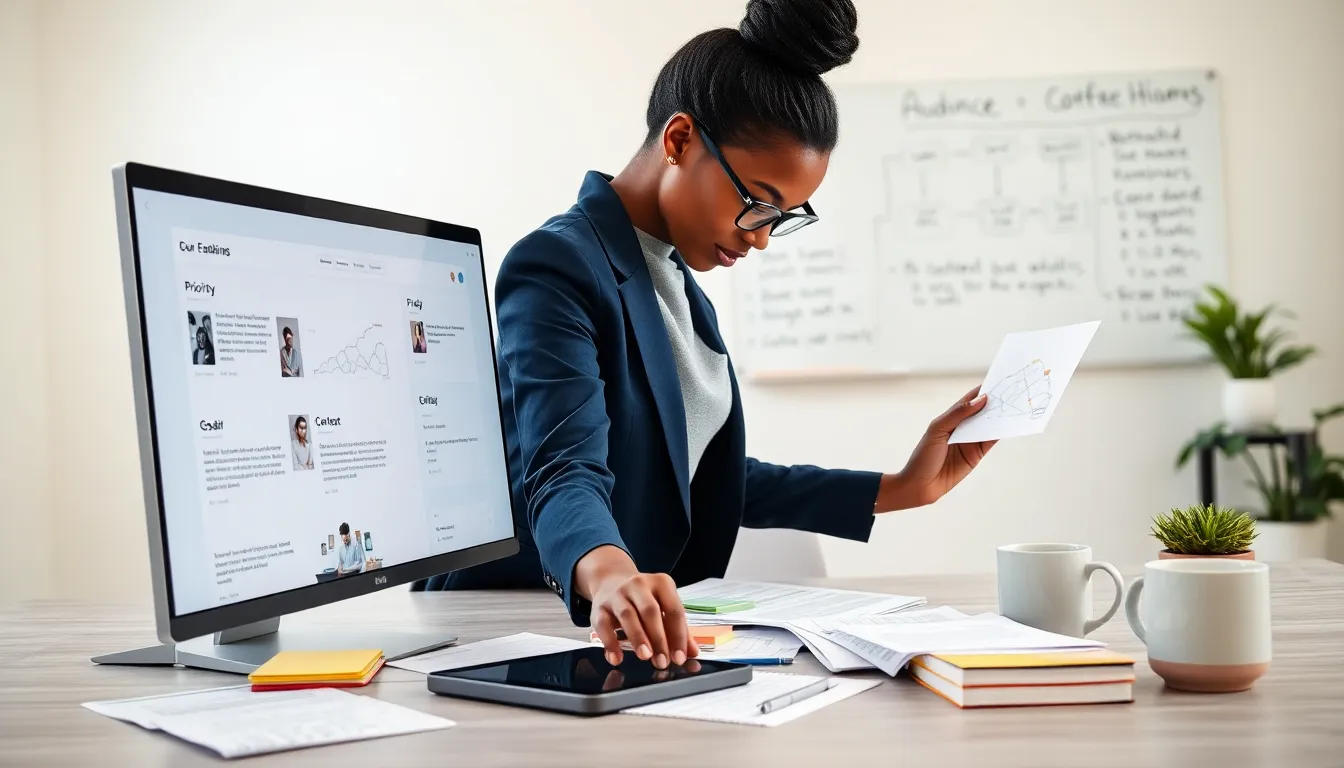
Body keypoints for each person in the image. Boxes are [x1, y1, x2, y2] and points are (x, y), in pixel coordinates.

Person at [414, 0, 996, 672]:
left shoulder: (676, 281)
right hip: (513, 625)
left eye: (783, 216)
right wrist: (610, 573)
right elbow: (563, 468)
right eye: (757, 202)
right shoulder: (557, 265)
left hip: (632, 632)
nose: (762, 237)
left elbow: (700, 472)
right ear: (680, 140)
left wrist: (898, 488)